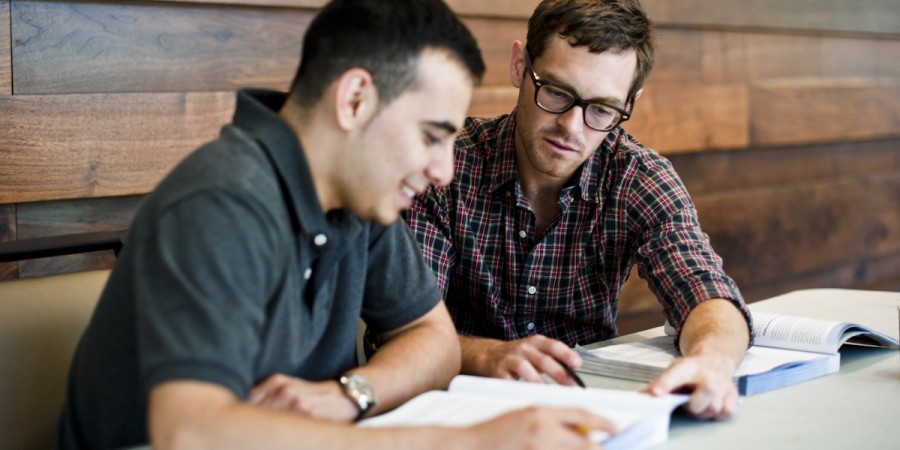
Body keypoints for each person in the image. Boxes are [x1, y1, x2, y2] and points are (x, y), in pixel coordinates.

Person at [55, 1, 616, 449]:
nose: (445, 170)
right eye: (431, 134)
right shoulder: (221, 201)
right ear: (354, 101)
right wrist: (467, 442)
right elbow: (192, 431)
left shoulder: (358, 196)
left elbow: (434, 340)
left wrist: (351, 394)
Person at [404, 0, 753, 420]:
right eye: (556, 91)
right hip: (451, 410)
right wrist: (486, 355)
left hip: (587, 413)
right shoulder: (443, 166)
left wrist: (712, 359)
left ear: (629, 103)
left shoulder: (636, 178)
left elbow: (705, 289)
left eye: (602, 109)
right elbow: (403, 327)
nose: (571, 127)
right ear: (520, 65)